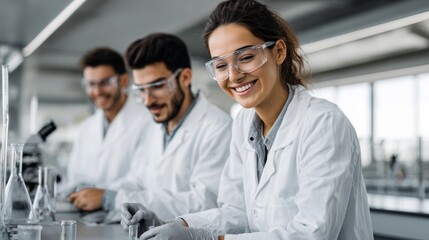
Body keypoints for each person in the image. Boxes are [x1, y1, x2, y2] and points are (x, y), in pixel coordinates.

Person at [120, 0, 374, 239]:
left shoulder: (323, 123)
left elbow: (312, 233)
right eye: (220, 66)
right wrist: (174, 223)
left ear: (279, 52)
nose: (234, 75)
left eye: (246, 57)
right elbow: (236, 212)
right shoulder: (244, 124)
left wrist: (205, 237)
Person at [69, 33, 232, 219]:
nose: (148, 100)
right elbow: (137, 181)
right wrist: (100, 193)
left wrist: (112, 199)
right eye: (141, 90)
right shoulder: (156, 127)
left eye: (157, 86)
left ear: (185, 78)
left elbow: (205, 202)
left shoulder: (217, 128)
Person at [66, 47, 151, 208]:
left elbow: (141, 180)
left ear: (124, 81)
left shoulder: (147, 121)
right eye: (91, 84)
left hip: (126, 214)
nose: (97, 91)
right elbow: (74, 177)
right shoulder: (85, 128)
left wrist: (103, 195)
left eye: (105, 83)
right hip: (86, 215)